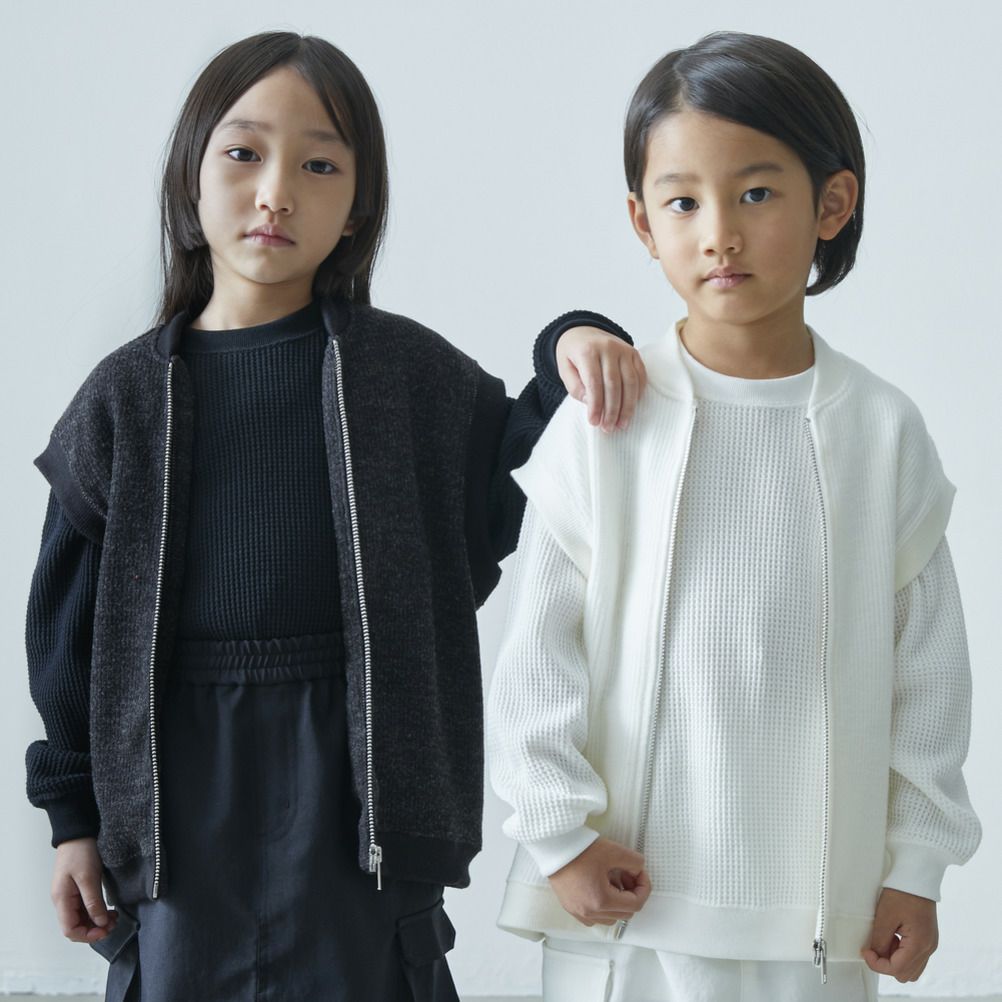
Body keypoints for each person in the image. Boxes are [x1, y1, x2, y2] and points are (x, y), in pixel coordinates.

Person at [23, 31, 645, 1002]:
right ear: (190, 177)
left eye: (319, 166)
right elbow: (66, 631)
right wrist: (73, 821)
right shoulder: (124, 401)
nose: (276, 192)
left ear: (357, 208)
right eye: (244, 153)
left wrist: (573, 337)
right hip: (181, 783)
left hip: (362, 778)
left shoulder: (405, 377)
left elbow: (535, 465)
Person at [487, 30, 981, 1002]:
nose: (719, 232)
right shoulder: (607, 420)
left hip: (819, 923)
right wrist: (558, 836)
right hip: (625, 908)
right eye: (684, 202)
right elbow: (539, 654)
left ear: (831, 203)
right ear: (643, 222)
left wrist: (916, 868)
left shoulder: (882, 431)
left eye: (756, 193)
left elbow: (930, 676)